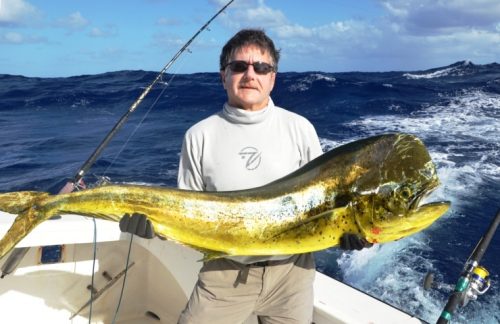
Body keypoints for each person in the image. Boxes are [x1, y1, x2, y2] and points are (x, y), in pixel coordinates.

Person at [120, 28, 371, 324]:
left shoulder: (300, 128)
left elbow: (326, 203)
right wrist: (155, 226)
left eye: (261, 67)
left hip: (292, 275)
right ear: (222, 76)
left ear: (272, 78)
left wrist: (354, 230)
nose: (250, 75)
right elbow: (189, 218)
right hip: (224, 274)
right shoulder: (199, 135)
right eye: (239, 66)